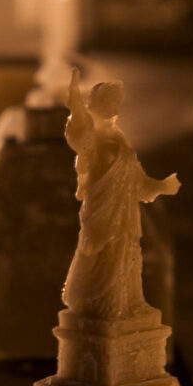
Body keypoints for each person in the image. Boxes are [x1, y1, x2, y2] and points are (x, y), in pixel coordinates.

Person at [62, 69, 180, 320]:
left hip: (125, 214)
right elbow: (78, 126)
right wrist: (73, 94)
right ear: (94, 105)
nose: (115, 106)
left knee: (127, 259)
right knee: (101, 258)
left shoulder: (121, 140)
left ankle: (128, 303)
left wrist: (161, 186)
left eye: (117, 102)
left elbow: (136, 181)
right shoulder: (91, 139)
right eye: (109, 101)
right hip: (101, 213)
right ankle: (95, 303)